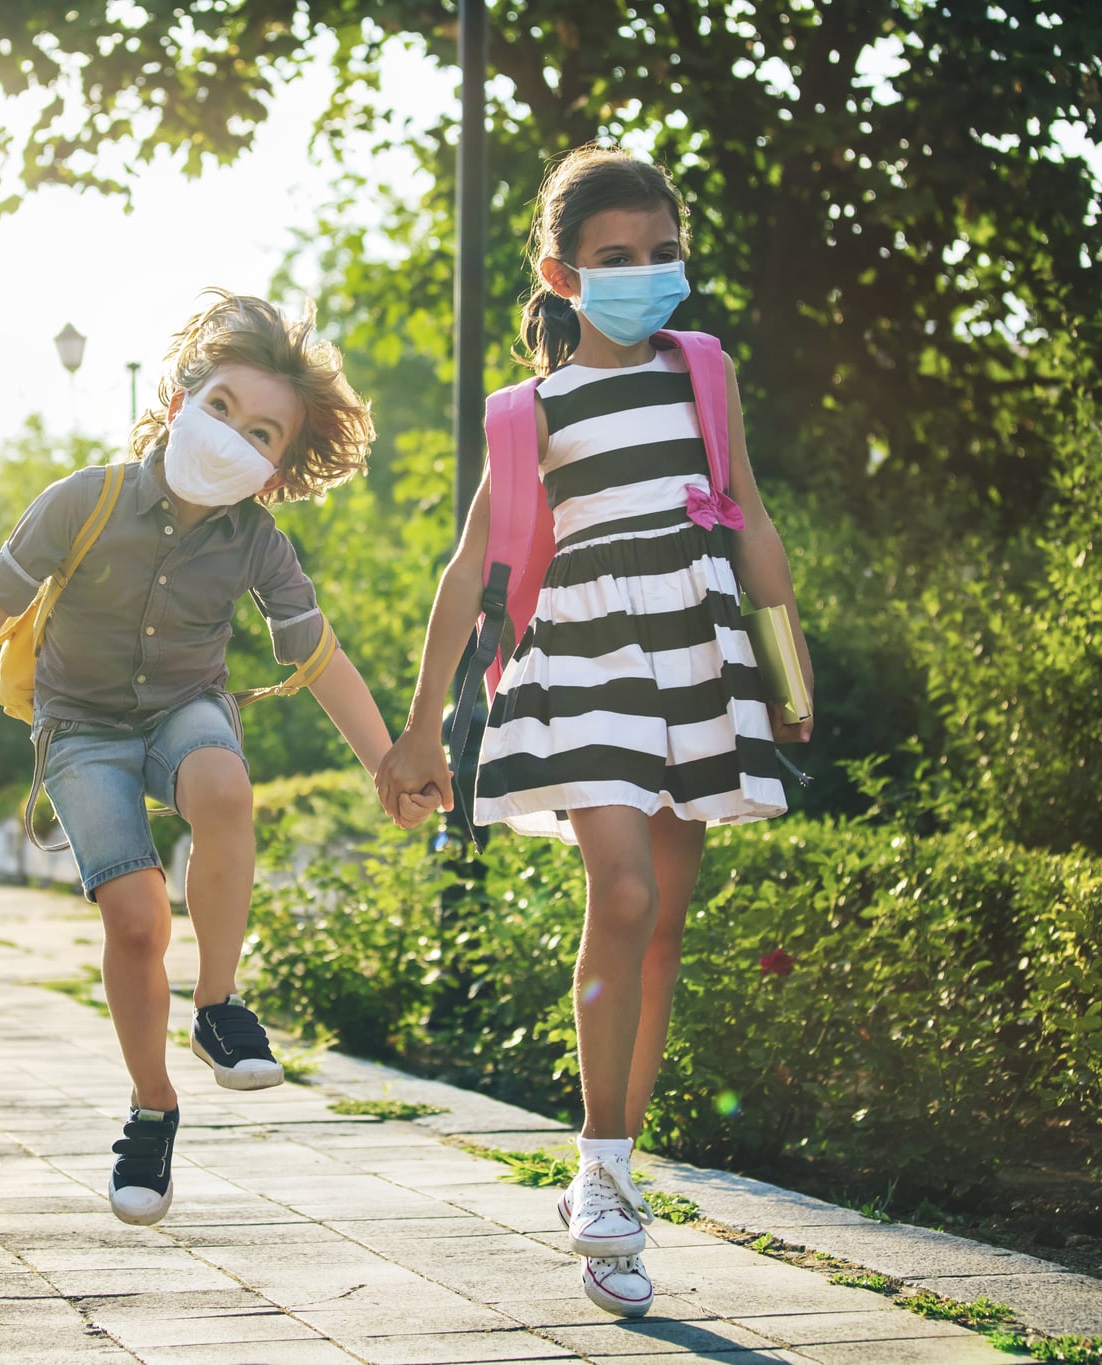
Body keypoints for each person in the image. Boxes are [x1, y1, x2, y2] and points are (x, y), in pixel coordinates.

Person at [376, 146, 813, 1318]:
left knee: (663, 921)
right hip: (582, 658)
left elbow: (749, 514)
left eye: (661, 254)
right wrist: (421, 734)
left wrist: (789, 669)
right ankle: (594, 1160)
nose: (643, 275)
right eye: (614, 259)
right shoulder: (528, 414)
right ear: (560, 274)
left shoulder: (705, 373)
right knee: (617, 897)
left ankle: (615, 1172)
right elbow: (471, 566)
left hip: (695, 650)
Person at [0, 291, 435, 1226]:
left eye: (263, 432)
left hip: (185, 711)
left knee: (224, 783)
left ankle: (221, 1005)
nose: (235, 434)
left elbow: (319, 658)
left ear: (278, 468)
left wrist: (386, 760)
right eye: (224, 407)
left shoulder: (257, 544)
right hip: (78, 731)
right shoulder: (86, 499)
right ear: (182, 396)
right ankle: (153, 1105)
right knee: (138, 917)